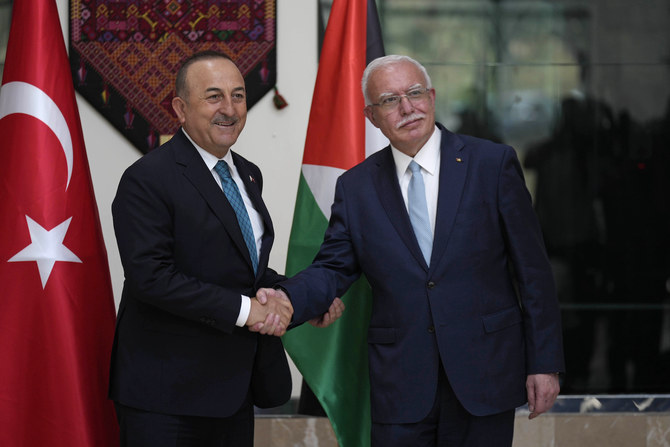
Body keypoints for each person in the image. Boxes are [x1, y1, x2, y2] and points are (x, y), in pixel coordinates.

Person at [259, 55, 565, 446]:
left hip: (485, 373)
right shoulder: (357, 187)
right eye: (389, 100)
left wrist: (545, 363)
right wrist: (287, 299)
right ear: (371, 116)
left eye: (415, 93)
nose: (407, 108)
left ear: (432, 97)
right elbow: (332, 268)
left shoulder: (492, 164)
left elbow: (533, 272)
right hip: (401, 383)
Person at [109, 51, 307, 446]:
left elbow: (245, 269)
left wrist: (298, 298)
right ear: (181, 108)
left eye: (238, 96)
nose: (230, 109)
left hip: (233, 391)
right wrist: (251, 310)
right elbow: (153, 278)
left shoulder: (248, 173)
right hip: (166, 398)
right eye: (214, 96)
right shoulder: (147, 179)